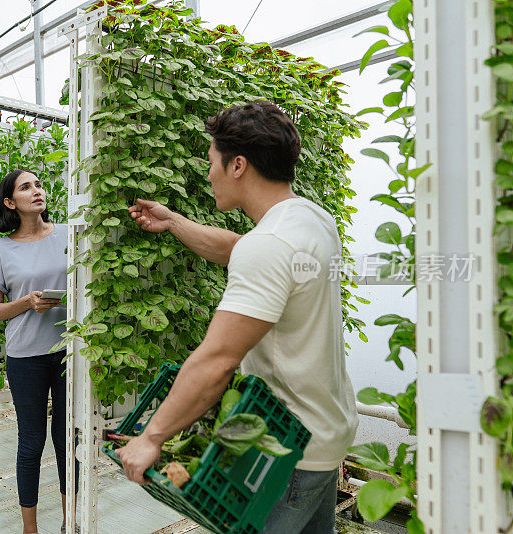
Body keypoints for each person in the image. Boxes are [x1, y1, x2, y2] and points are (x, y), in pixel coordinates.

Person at [116, 101, 358, 533]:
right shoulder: (309, 219)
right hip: (327, 434)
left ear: (238, 165)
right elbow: (237, 249)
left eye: (211, 162)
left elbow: (218, 360)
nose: (208, 174)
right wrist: (174, 223)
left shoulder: (268, 245)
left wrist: (151, 437)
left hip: (286, 451)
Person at [0, 169, 78, 534]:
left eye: (38, 184)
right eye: (26, 187)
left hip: (68, 350)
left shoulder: (70, 234)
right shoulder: (2, 249)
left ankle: (71, 521)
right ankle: (30, 529)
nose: (36, 191)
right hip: (25, 356)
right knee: (32, 440)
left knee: (68, 437)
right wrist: (24, 303)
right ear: (10, 203)